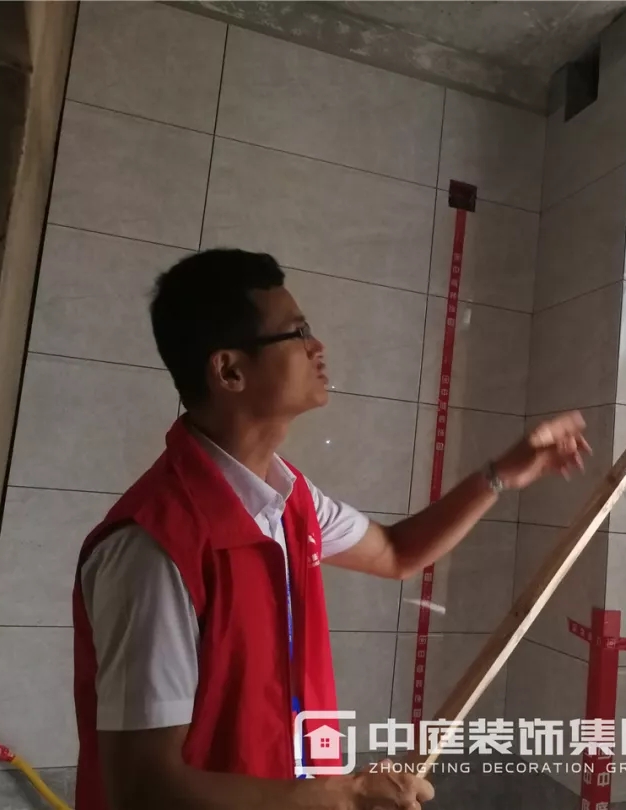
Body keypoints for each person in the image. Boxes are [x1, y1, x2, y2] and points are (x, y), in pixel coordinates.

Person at [71, 248, 591, 810]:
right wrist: (345, 795)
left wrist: (500, 475)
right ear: (229, 371)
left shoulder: (290, 499)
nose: (317, 347)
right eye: (297, 333)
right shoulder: (154, 548)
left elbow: (396, 552)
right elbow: (143, 790)